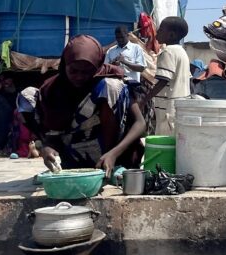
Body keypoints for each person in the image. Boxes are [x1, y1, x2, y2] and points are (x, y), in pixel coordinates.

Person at [21, 35, 145, 176]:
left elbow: (140, 123)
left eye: (87, 72)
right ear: (64, 65)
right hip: (72, 153)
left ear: (97, 67)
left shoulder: (111, 79)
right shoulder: (53, 89)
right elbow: (52, 131)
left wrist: (113, 154)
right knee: (26, 96)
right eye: (73, 71)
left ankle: (109, 164)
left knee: (112, 87)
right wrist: (47, 146)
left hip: (111, 154)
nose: (79, 76)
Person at [144, 17, 191, 136]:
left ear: (171, 35)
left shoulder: (167, 52)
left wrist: (144, 100)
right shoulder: (181, 52)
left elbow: (163, 80)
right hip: (180, 106)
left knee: (165, 143)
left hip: (168, 109)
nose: (157, 32)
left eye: (161, 29)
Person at [105, 26, 147, 91]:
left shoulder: (136, 48)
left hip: (132, 86)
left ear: (127, 35)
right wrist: (113, 65)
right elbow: (105, 70)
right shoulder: (111, 51)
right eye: (117, 38)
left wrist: (124, 62)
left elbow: (141, 68)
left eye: (122, 37)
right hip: (114, 85)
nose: (120, 40)